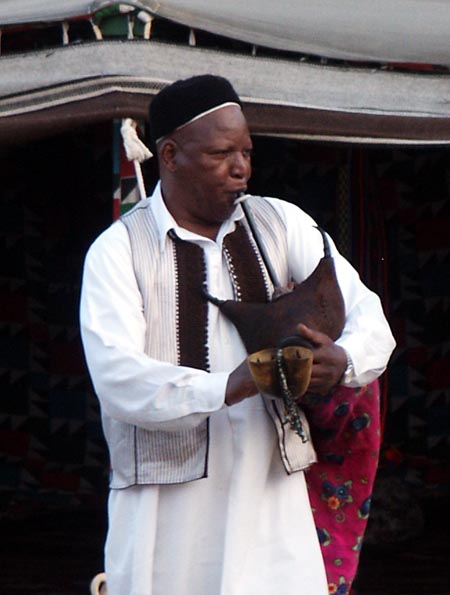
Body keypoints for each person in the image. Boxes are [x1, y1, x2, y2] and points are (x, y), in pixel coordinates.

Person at [80, 74, 396, 595]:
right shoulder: (119, 251)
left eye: (246, 152)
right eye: (221, 154)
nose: (241, 168)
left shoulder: (280, 223)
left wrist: (345, 359)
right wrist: (234, 384)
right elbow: (118, 379)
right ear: (171, 155)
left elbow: (371, 319)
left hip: (271, 495)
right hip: (165, 511)